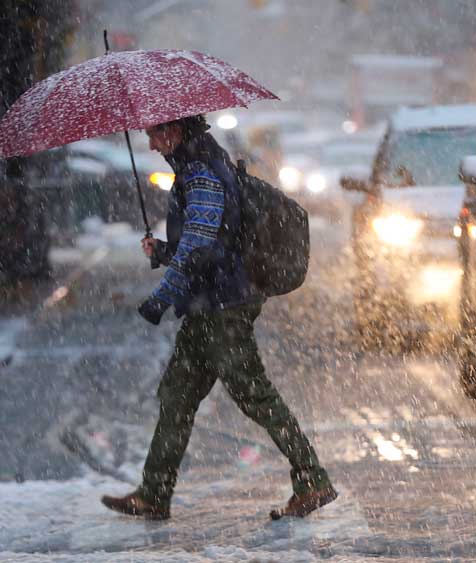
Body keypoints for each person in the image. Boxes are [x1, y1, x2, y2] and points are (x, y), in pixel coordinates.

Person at [101, 115, 337, 520]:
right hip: (207, 306)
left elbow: (199, 250)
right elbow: (205, 245)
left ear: (174, 130)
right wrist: (162, 251)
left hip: (223, 307)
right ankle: (154, 493)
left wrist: (160, 299)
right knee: (177, 395)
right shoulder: (199, 167)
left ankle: (312, 479)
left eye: (155, 135)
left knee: (256, 396)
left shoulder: (202, 174)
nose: (153, 145)